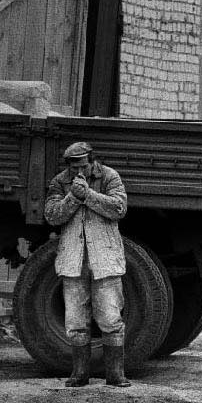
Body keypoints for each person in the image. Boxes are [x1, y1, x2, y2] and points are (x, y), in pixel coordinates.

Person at [44, 141, 130, 388]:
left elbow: (119, 208)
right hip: (73, 260)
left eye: (82, 165)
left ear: (92, 161)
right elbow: (52, 215)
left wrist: (88, 195)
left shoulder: (110, 176)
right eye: (73, 167)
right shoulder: (60, 182)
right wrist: (73, 196)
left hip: (104, 259)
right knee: (75, 321)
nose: (78, 171)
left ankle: (115, 375)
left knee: (110, 317)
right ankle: (79, 374)